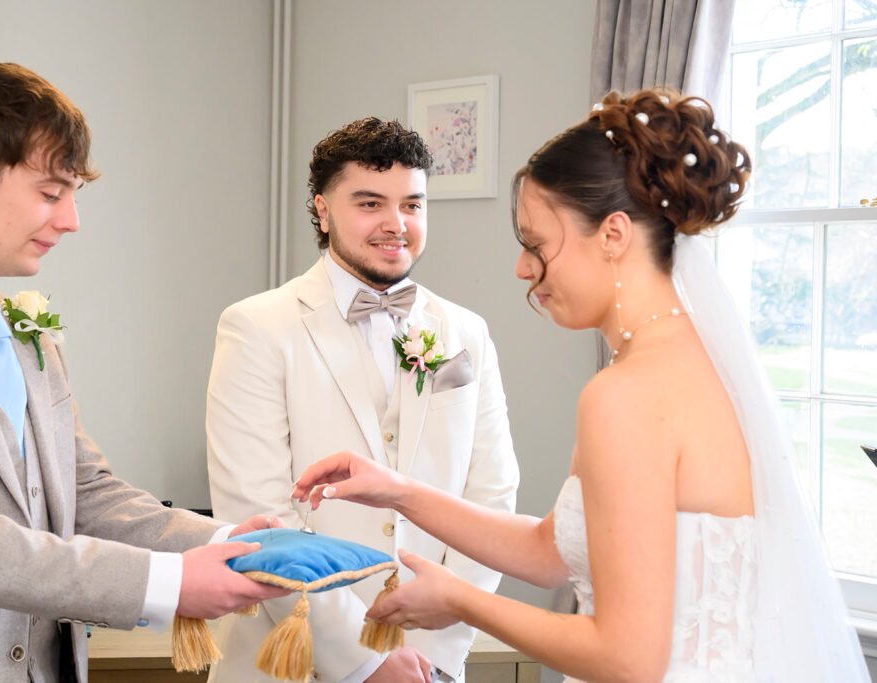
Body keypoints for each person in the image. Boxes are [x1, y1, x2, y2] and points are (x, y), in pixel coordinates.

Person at [293, 90, 870, 682]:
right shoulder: (697, 360)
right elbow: (551, 551)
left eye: (537, 244)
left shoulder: (626, 394)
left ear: (613, 235)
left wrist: (462, 601)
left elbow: (625, 660)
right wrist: (397, 490)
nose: (522, 268)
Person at [0, 62, 287, 683]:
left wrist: (219, 543)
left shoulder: (25, 333)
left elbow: (83, 492)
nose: (71, 221)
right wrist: (166, 583)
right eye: (51, 194)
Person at [205, 117, 519, 683]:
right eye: (370, 203)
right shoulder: (256, 326)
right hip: (293, 660)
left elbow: (492, 497)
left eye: (413, 205)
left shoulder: (466, 332)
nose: (396, 224)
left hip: (433, 662)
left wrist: (440, 648)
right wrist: (366, 663)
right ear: (323, 211)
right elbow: (257, 512)